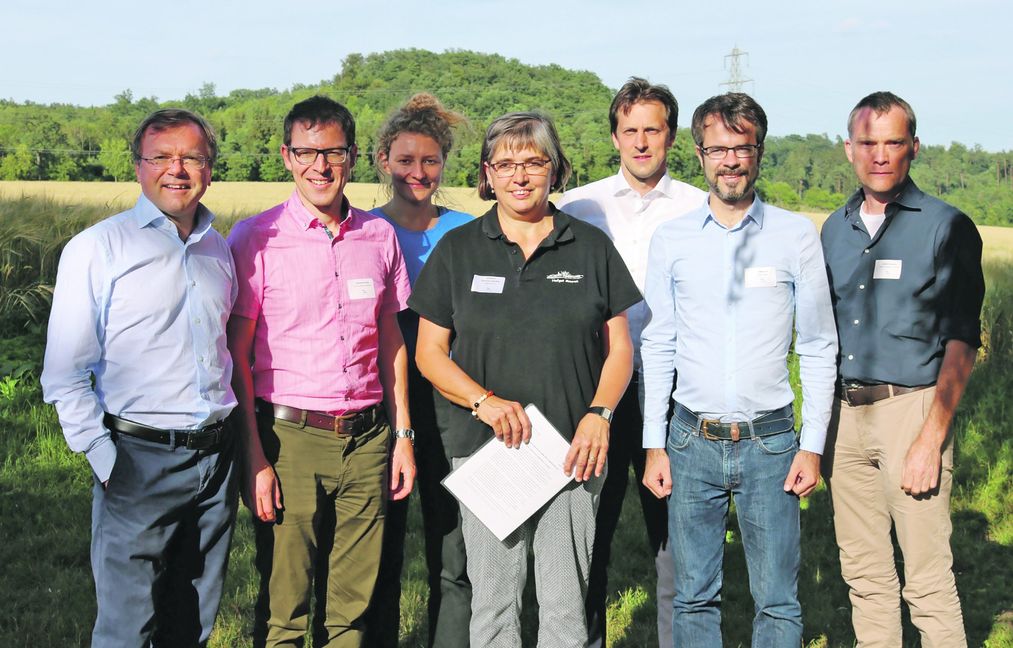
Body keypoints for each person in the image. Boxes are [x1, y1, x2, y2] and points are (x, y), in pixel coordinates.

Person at [412, 111, 641, 647]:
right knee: (493, 606)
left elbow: (620, 349)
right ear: (487, 173)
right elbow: (429, 354)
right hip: (488, 451)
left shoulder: (590, 247)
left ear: (553, 169)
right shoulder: (458, 250)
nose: (520, 176)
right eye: (506, 164)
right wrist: (484, 402)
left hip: (572, 453)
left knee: (565, 609)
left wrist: (600, 415)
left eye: (534, 162)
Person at [640, 93, 838, 646]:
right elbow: (657, 343)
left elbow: (819, 344)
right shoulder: (673, 240)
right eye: (718, 148)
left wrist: (812, 445)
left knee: (776, 600)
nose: (730, 160)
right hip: (689, 439)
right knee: (693, 596)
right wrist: (654, 444)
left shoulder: (795, 235)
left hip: (771, 443)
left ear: (759, 152)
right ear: (698, 154)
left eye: (742, 147)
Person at [41, 108, 238, 646]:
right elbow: (64, 374)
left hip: (216, 463)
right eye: (161, 157)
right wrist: (107, 461)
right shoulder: (98, 249)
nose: (177, 169)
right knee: (128, 628)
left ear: (210, 169)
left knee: (191, 621)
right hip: (137, 460)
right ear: (138, 167)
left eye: (191, 157)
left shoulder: (219, 250)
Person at [226, 95, 416, 647]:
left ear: (352, 156)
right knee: (286, 606)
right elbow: (236, 354)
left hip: (368, 437)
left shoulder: (378, 237)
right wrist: (254, 454)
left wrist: (403, 436)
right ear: (287, 157)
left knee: (352, 608)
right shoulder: (255, 239)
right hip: (290, 437)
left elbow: (390, 340)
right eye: (306, 152)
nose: (320, 166)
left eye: (332, 151)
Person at [820, 91, 983, 648]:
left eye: (894, 142)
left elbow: (963, 340)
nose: (880, 155)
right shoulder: (833, 229)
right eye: (868, 142)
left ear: (914, 146)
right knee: (864, 576)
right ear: (849, 149)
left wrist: (930, 439)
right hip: (845, 418)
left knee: (928, 582)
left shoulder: (947, 227)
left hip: (912, 411)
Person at [557, 76, 705, 648]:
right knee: (586, 530)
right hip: (597, 393)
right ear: (615, 136)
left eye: (653, 130)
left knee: (671, 538)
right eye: (630, 131)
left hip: (674, 392)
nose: (641, 142)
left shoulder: (699, 207)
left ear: (671, 136)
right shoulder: (579, 207)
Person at [364, 93, 474, 648]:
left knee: (452, 548)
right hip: (381, 406)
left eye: (429, 161)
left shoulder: (468, 231)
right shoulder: (363, 231)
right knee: (376, 553)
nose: (418, 172)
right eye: (405, 160)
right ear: (384, 160)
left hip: (451, 407)